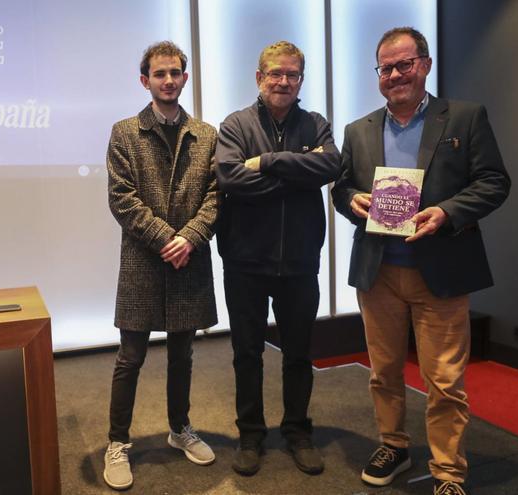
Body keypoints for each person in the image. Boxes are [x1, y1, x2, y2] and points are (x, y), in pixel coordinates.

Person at [332, 27, 510, 495]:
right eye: (386, 68)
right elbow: (341, 187)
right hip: (378, 272)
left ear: (425, 65)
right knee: (383, 373)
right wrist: (352, 200)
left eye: (404, 65)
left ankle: (448, 471)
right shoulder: (359, 129)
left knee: (446, 381)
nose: (394, 75)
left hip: (442, 272)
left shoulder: (465, 118)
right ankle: (393, 444)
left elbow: (494, 181)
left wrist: (447, 211)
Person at [215, 40, 341, 477]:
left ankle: (297, 432)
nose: (283, 81)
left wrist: (267, 161)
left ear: (301, 80)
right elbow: (231, 179)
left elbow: (331, 167)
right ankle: (250, 434)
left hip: (301, 262)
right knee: (246, 353)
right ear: (259, 77)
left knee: (299, 354)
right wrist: (297, 172)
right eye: (275, 74)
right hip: (246, 262)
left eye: (292, 75)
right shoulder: (234, 124)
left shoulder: (316, 123)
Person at [103, 41, 219, 491]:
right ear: (144, 80)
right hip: (143, 262)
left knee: (182, 355)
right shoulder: (125, 131)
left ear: (185, 78)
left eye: (175, 73)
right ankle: (118, 442)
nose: (168, 80)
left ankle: (180, 428)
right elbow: (121, 198)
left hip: (187, 260)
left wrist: (189, 237)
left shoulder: (206, 134)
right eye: (159, 74)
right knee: (129, 357)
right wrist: (165, 238)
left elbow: (215, 195)